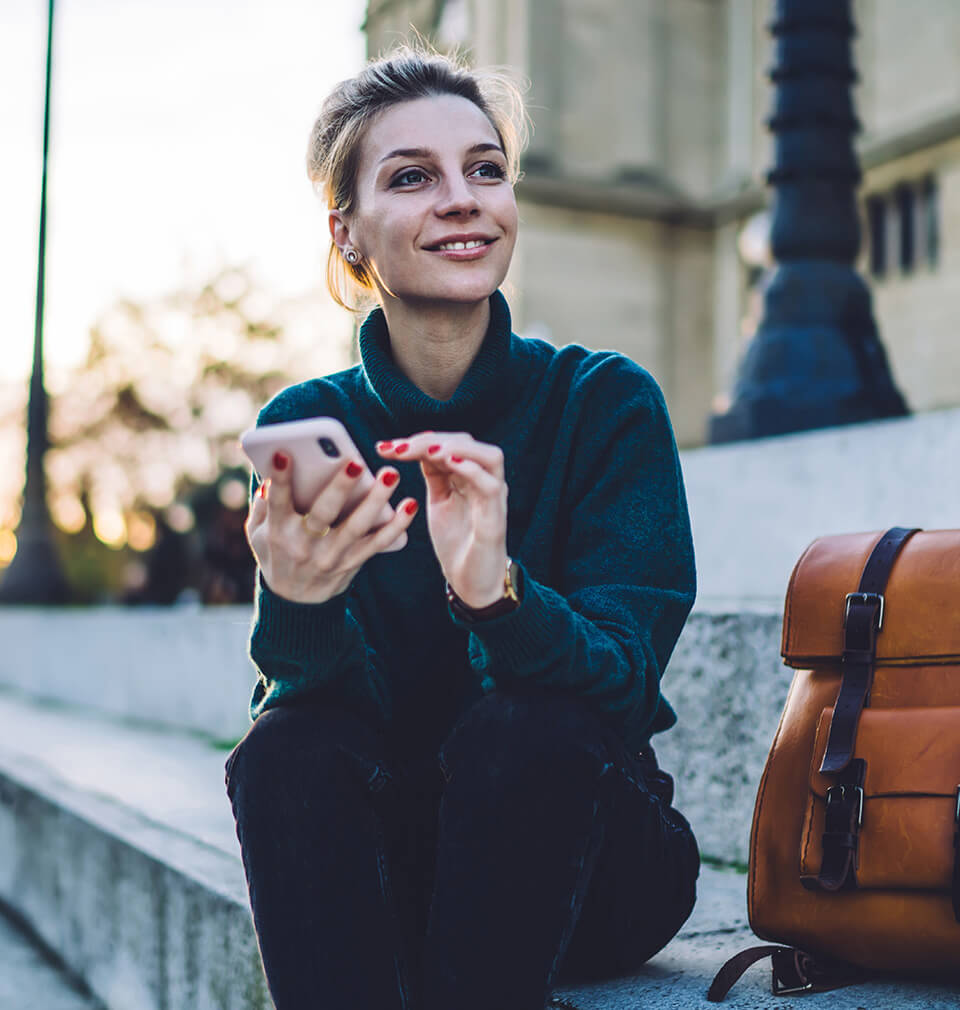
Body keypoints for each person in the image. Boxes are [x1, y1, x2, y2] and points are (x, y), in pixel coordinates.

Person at [225, 45, 699, 1010]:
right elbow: (313, 705)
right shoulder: (317, 424)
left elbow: (619, 678)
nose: (463, 198)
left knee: (526, 727)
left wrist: (498, 596)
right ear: (346, 232)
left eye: (486, 169)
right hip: (398, 861)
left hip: (595, 857)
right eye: (412, 177)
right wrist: (301, 606)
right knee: (285, 746)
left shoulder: (602, 403)